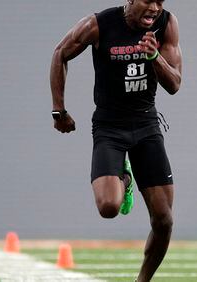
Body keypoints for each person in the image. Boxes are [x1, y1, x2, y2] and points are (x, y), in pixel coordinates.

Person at [50, 0, 182, 281]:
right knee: (109, 207)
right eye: (149, 1)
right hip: (110, 126)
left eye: (160, 2)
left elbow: (175, 84)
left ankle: (142, 280)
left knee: (164, 220)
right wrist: (59, 110)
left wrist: (154, 57)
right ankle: (125, 178)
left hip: (146, 124)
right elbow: (60, 53)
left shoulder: (167, 24)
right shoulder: (100, 24)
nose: (155, 8)